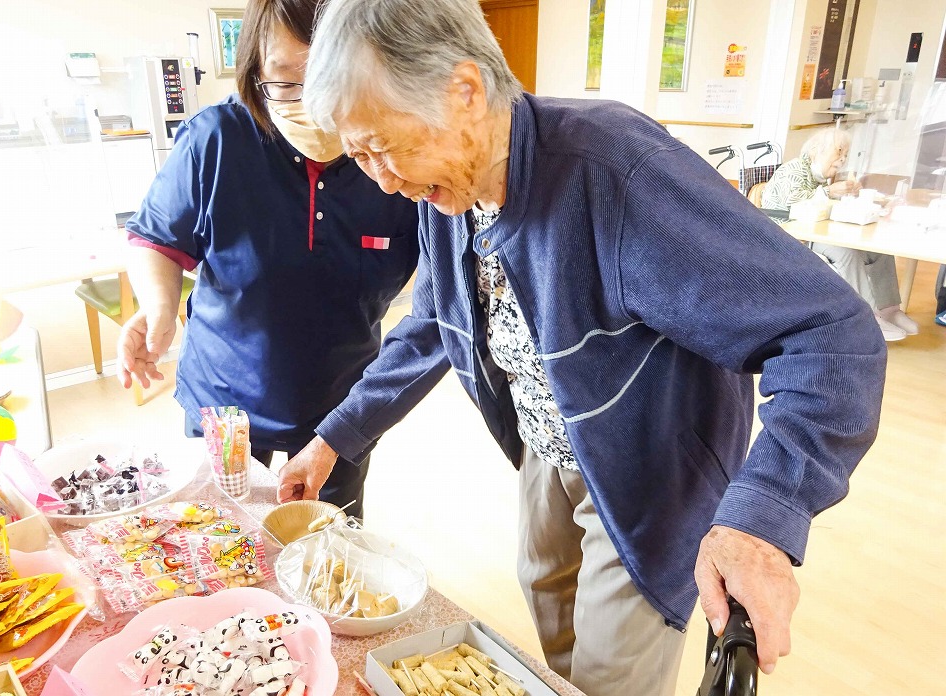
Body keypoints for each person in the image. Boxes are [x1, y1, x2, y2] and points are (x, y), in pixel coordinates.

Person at [275, 1, 887, 694]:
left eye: (384, 148)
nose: (383, 179)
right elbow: (435, 321)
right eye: (360, 157)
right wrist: (335, 438)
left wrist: (765, 514)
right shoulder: (445, 186)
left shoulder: (620, 175)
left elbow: (834, 337)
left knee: (607, 678)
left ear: (465, 92)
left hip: (647, 468)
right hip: (546, 444)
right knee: (553, 639)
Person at [116, 0, 419, 519]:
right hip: (225, 397)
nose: (314, 102)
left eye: (331, 77)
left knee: (327, 551)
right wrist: (161, 305)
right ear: (255, 71)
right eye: (286, 80)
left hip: (341, 402)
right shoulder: (217, 139)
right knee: (221, 540)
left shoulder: (398, 159)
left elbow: (437, 307)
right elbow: (156, 239)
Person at [762, 128, 918, 342]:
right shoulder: (794, 170)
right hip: (791, 236)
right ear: (818, 150)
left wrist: (845, 193)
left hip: (815, 231)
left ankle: (889, 309)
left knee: (877, 251)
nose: (843, 159)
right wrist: (829, 192)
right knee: (847, 252)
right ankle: (865, 317)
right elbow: (794, 205)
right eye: (839, 152)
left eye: (845, 154)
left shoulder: (818, 175)